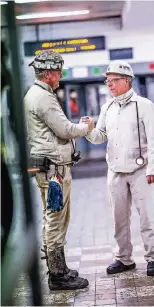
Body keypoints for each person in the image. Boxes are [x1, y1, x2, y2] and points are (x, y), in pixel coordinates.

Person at [83, 60, 154, 276]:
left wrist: (152, 168)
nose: (109, 84)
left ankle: (153, 258)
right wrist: (88, 129)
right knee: (119, 218)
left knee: (147, 216)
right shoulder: (106, 107)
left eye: (114, 80)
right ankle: (124, 259)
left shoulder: (144, 105)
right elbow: (100, 137)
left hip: (140, 171)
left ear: (126, 81)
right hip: (115, 172)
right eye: (108, 80)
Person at [24, 50, 94, 290]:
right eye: (57, 71)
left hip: (48, 166)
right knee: (56, 219)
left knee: (51, 216)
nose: (60, 75)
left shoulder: (37, 93)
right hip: (54, 170)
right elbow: (64, 130)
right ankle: (57, 276)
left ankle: (59, 268)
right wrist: (86, 127)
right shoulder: (43, 97)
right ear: (47, 73)